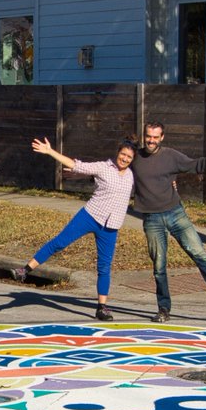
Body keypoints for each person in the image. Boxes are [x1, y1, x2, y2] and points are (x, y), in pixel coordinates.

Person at [13, 137, 136, 321]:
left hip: (111, 226)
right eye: (123, 154)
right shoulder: (104, 167)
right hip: (90, 216)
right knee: (60, 242)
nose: (125, 159)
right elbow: (76, 165)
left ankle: (102, 307)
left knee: (104, 267)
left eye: (129, 157)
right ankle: (25, 270)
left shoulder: (131, 175)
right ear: (117, 153)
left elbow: (152, 179)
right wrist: (50, 151)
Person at [132, 121, 206, 322]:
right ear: (144, 135)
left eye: (155, 137)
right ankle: (164, 309)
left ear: (162, 137)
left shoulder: (171, 156)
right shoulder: (135, 157)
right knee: (159, 265)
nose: (151, 140)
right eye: (148, 136)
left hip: (175, 213)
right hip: (151, 218)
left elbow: (196, 165)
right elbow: (115, 168)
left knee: (199, 253)